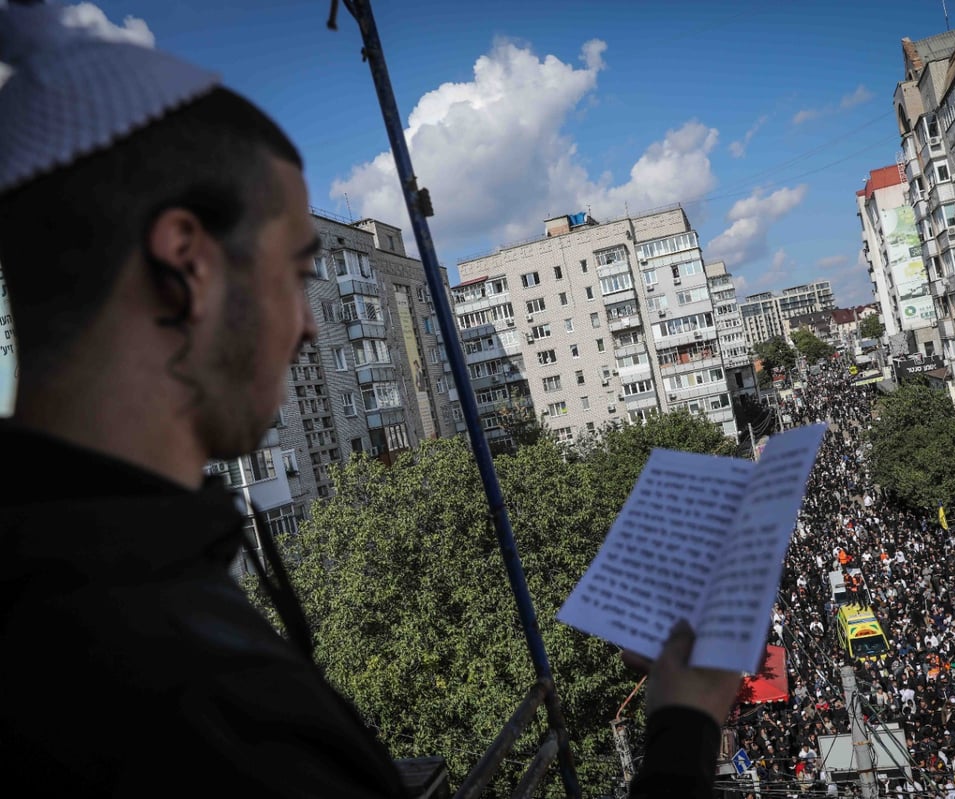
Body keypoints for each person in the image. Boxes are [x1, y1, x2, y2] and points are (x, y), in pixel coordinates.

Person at [0, 5, 742, 797]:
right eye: (295, 272)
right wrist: (684, 727)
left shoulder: (76, 598)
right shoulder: (184, 689)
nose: (309, 328)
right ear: (187, 264)